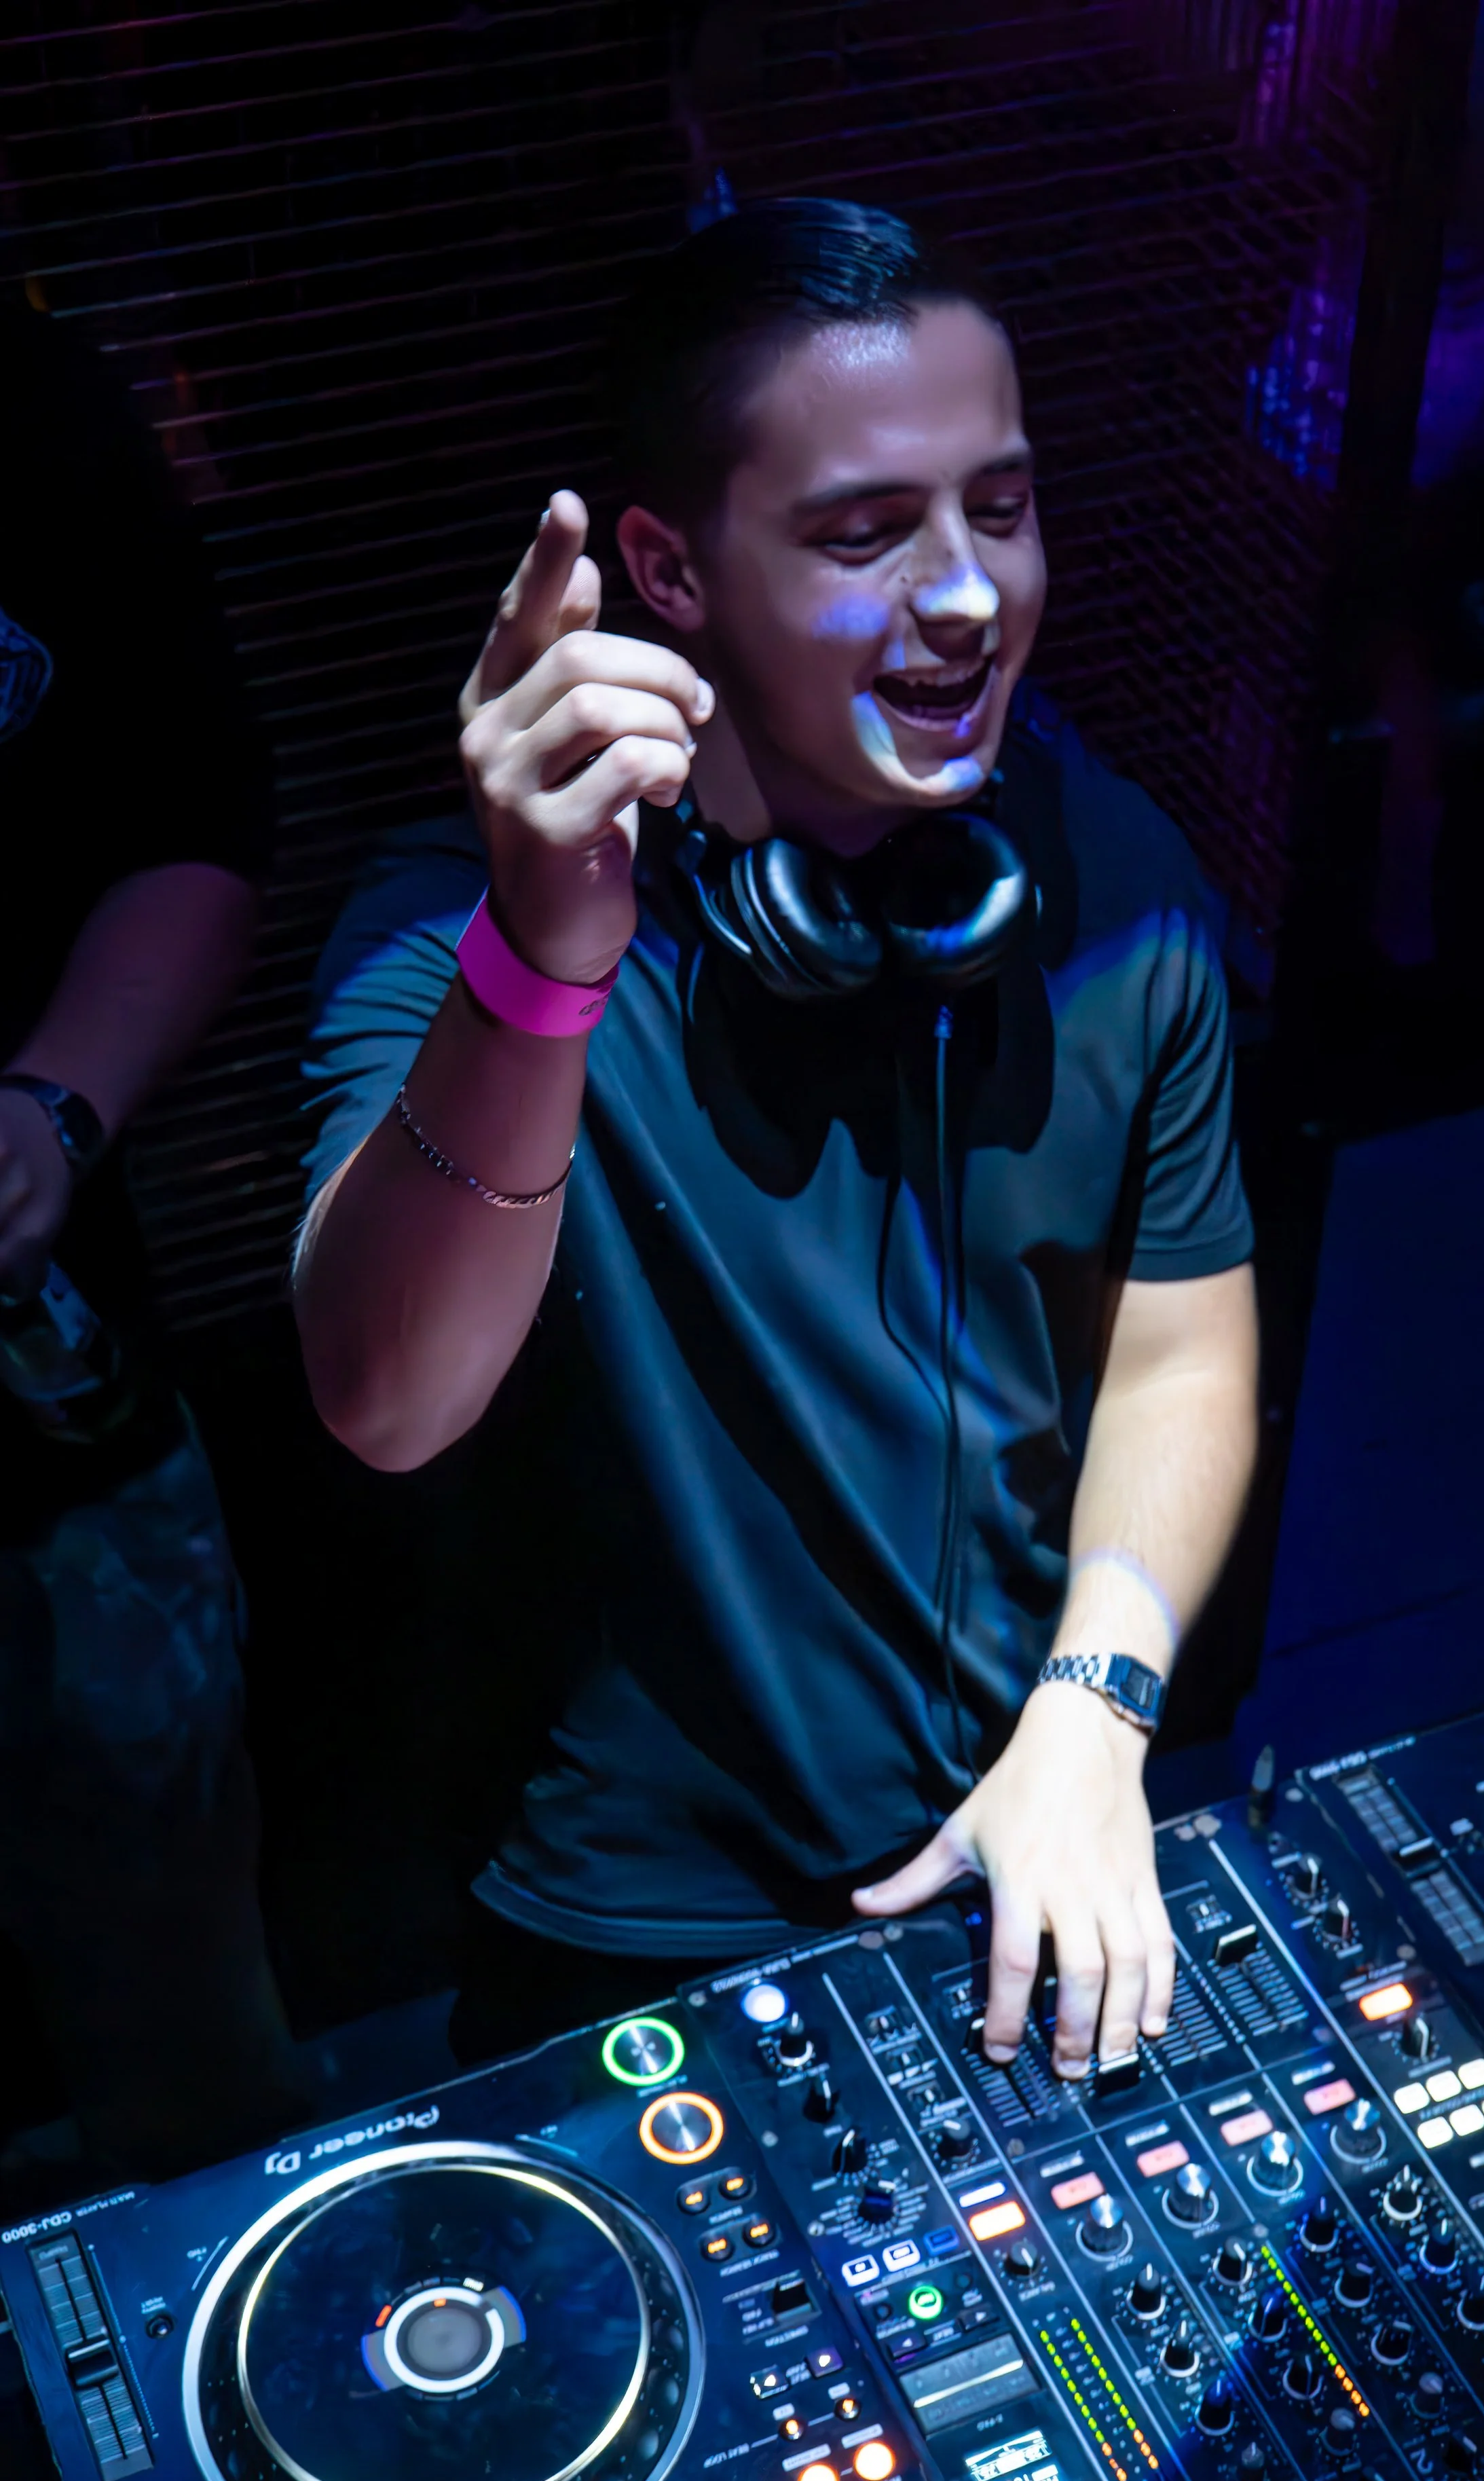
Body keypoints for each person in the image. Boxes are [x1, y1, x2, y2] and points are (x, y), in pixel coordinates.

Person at [294, 201, 1259, 2079]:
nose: (970, 593)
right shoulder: (455, 942)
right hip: (623, 1931)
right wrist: (548, 962)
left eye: (998, 504)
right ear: (666, 565)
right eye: (862, 531)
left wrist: (1094, 1705)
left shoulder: (1114, 880)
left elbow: (1179, 1339)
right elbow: (383, 1398)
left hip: (1039, 1819)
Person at [0, 293, 305, 2182]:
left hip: (52, 1424)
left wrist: (43, 1115)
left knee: (189, 2059)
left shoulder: (31, 407)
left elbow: (199, 821)